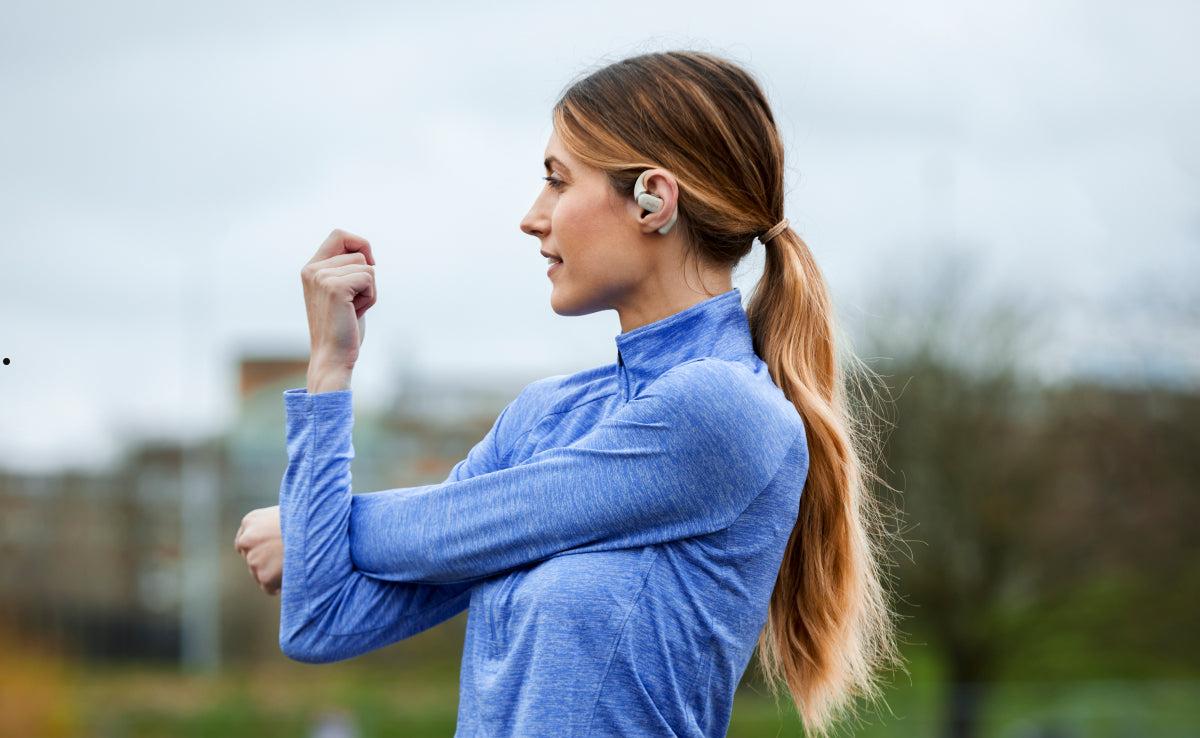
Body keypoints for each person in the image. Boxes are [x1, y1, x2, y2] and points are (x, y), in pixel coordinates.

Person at [235, 49, 904, 738]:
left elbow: (454, 525)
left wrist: (310, 524)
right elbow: (321, 619)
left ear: (654, 198)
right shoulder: (545, 417)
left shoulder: (724, 413)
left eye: (558, 182)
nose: (533, 216)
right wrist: (329, 372)